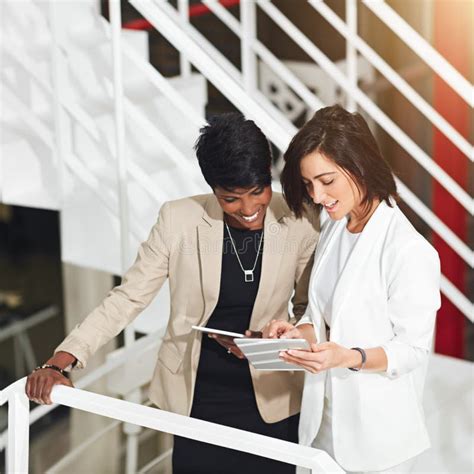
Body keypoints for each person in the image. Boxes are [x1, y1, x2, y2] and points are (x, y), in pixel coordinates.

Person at [25, 113, 320, 474]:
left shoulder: (300, 219)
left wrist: (274, 339)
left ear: (268, 176)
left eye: (258, 191)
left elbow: (308, 310)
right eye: (231, 198)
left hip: (272, 394)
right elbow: (128, 297)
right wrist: (61, 360)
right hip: (197, 393)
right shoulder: (178, 220)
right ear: (213, 189)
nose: (248, 209)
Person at [263, 105, 441, 473]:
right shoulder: (334, 228)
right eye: (309, 184)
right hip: (322, 423)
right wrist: (298, 332)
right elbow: (322, 316)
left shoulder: (408, 250)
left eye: (327, 181)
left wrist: (349, 357)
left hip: (377, 440)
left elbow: (412, 350)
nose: (317, 196)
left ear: (359, 164)